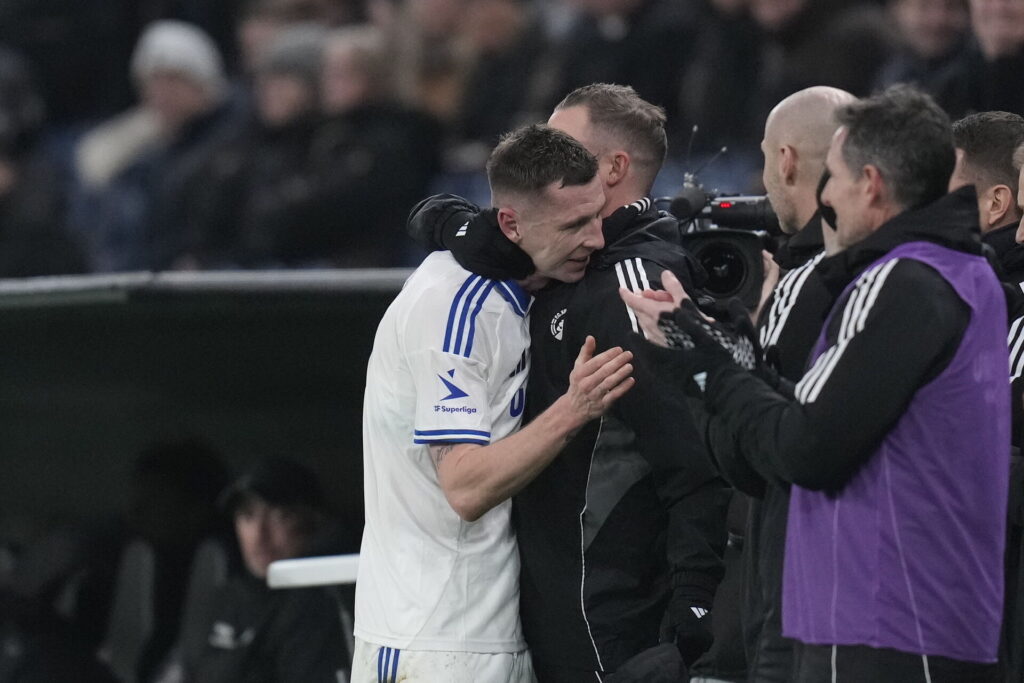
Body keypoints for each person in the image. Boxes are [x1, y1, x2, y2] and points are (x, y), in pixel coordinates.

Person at [622, 85, 1008, 682]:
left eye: (835, 178)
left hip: (877, 618)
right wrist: (719, 347)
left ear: (871, 184)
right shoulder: (970, 274)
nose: (825, 198)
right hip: (928, 617)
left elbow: (803, 449)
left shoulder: (900, 280)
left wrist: (699, 358)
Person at [409, 83, 730, 682]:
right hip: (551, 605)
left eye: (567, 144)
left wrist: (693, 605)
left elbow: (695, 464)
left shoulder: (634, 287)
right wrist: (460, 226)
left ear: (613, 169)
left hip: (611, 617)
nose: (552, 157)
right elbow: (434, 216)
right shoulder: (562, 261)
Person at [354, 124, 635, 683]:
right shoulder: (454, 312)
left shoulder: (512, 290)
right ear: (510, 223)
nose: (596, 239)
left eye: (597, 217)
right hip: (435, 639)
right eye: (574, 224)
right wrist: (575, 408)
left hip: (481, 630)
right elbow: (464, 485)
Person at [733, 85, 855, 683]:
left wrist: (720, 354)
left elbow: (758, 453)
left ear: (785, 160)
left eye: (763, 158)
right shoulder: (899, 274)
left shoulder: (805, 283)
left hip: (796, 591)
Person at [177, 456, 349, 683]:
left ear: (314, 522)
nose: (259, 535)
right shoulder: (218, 603)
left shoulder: (327, 606)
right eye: (248, 515)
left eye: (279, 516)